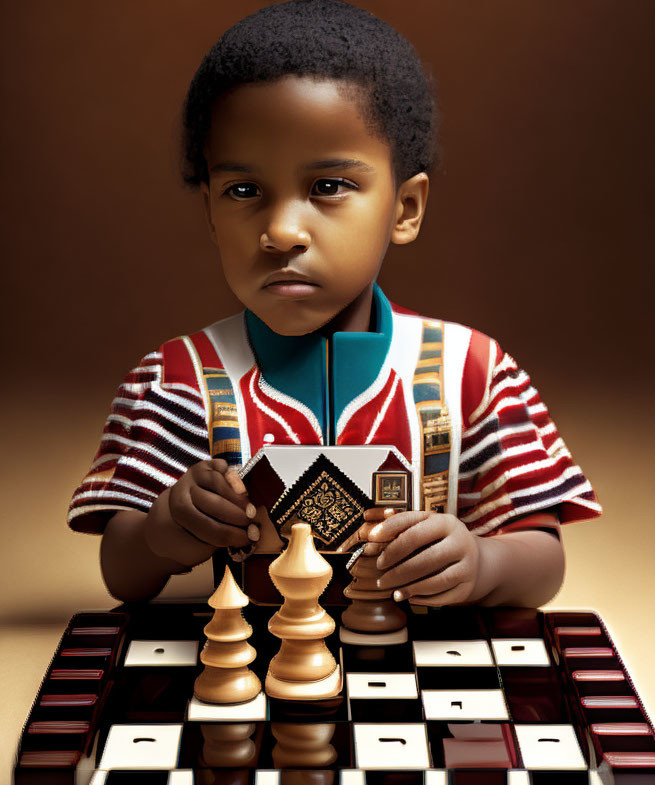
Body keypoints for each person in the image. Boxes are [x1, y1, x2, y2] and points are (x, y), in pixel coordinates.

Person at [68, 0, 600, 605]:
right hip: (254, 679)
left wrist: (483, 561)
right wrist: (166, 528)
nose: (282, 231)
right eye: (243, 190)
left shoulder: (473, 375)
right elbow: (122, 570)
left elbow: (544, 561)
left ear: (405, 208)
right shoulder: (175, 382)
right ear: (211, 213)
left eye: (328, 187)